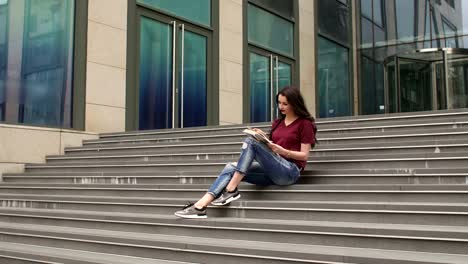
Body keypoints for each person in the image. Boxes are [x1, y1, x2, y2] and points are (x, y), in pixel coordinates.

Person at [174, 86, 317, 219]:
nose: (281, 107)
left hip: (289, 172)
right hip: (272, 170)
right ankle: (200, 206)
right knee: (231, 166)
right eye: (279, 103)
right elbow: (272, 147)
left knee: (249, 142)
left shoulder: (304, 124)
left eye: (285, 104)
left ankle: (231, 190)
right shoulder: (277, 123)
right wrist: (263, 137)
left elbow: (304, 155)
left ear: (294, 103)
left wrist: (284, 151)